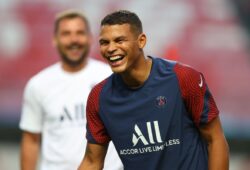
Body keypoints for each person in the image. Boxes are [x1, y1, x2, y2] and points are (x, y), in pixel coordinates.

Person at [78, 10, 229, 170]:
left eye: (119, 40)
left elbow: (215, 139)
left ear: (141, 41)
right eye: (104, 42)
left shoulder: (183, 78)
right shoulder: (99, 98)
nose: (111, 48)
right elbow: (92, 161)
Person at [19, 10, 123, 170]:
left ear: (90, 38)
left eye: (80, 33)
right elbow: (31, 140)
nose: (74, 39)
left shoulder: (112, 77)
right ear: (55, 40)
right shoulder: (38, 84)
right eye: (66, 33)